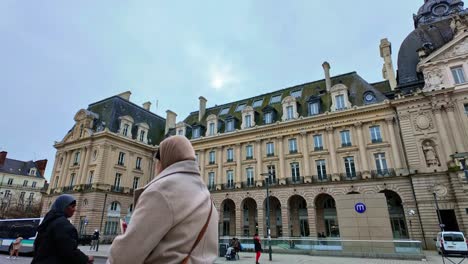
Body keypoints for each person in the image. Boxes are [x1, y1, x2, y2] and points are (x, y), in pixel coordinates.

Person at [108, 135, 219, 264]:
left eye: (157, 162)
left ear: (165, 159)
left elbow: (123, 256)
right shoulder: (207, 197)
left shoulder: (162, 190)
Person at [31, 194, 93, 264]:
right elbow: (69, 251)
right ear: (64, 207)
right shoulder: (63, 224)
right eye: (72, 206)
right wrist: (86, 259)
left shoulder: (49, 220)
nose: (74, 209)